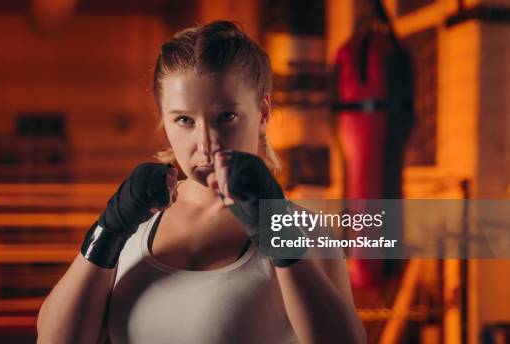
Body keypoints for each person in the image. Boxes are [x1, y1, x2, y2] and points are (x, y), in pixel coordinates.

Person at [37, 21, 366, 344]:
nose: (206, 143)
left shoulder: (306, 229)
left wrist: (277, 231)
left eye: (226, 116)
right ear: (163, 120)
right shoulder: (133, 226)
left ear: (263, 112)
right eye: (184, 120)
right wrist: (109, 229)